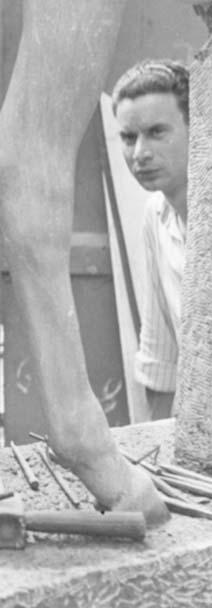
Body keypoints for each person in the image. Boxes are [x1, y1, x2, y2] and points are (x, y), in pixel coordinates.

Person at [112, 59, 189, 420]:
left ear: (200, 129)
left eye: (157, 132)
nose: (139, 153)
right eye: (129, 137)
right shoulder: (156, 215)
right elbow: (160, 357)